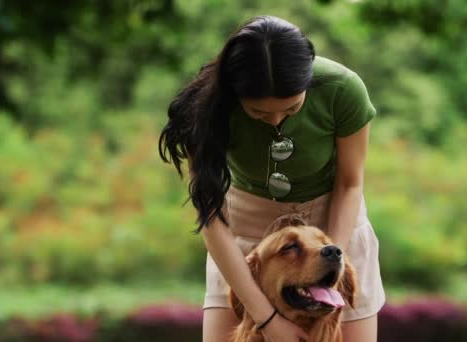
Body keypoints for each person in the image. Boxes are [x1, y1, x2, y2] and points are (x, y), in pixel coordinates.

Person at [159, 15, 386, 342]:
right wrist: (265, 319)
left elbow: (350, 184)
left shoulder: (342, 90)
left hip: (335, 232)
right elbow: (211, 217)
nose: (276, 120)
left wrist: (329, 264)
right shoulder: (204, 109)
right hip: (244, 238)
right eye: (259, 113)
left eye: (291, 109)